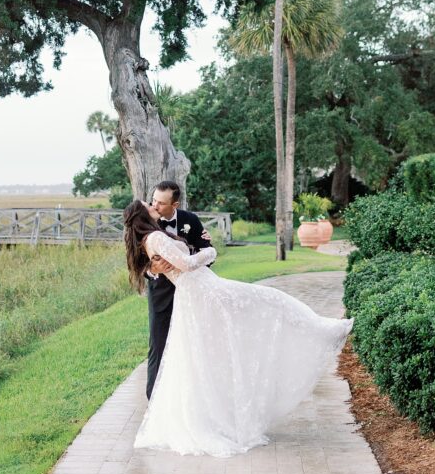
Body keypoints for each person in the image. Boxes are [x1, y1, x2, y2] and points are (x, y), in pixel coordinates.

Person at [123, 198, 353, 458]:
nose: (154, 206)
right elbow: (186, 265)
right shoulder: (155, 237)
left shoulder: (154, 236)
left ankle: (322, 330)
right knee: (272, 300)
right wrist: (209, 252)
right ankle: (324, 331)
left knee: (235, 334)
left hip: (201, 290)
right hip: (204, 291)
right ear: (143, 214)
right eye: (149, 205)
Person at [142, 181, 213, 399]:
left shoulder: (189, 220)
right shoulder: (148, 224)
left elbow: (205, 252)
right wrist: (152, 269)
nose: (155, 206)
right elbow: (137, 265)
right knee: (158, 344)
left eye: (161, 203)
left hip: (191, 291)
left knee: (192, 344)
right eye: (153, 200)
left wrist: (193, 263)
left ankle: (189, 398)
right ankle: (153, 398)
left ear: (175, 204)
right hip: (161, 294)